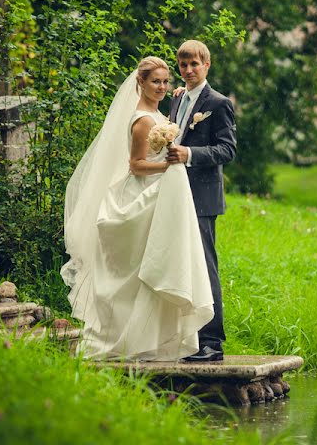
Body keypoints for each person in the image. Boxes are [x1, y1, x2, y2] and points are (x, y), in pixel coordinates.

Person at [60, 56, 214, 361]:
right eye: (155, 81)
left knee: (154, 264)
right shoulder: (143, 119)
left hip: (159, 196)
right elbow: (136, 165)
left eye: (165, 81)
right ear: (140, 83)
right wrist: (169, 167)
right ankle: (127, 339)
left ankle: (148, 340)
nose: (161, 87)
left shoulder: (158, 114)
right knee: (140, 271)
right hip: (142, 196)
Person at [166, 40, 237, 362]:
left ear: (207, 65)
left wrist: (190, 154)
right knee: (181, 266)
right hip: (175, 194)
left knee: (205, 267)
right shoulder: (178, 99)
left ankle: (211, 343)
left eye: (195, 64)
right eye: (183, 65)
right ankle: (187, 337)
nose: (189, 70)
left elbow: (227, 149)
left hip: (202, 197)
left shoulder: (218, 103)